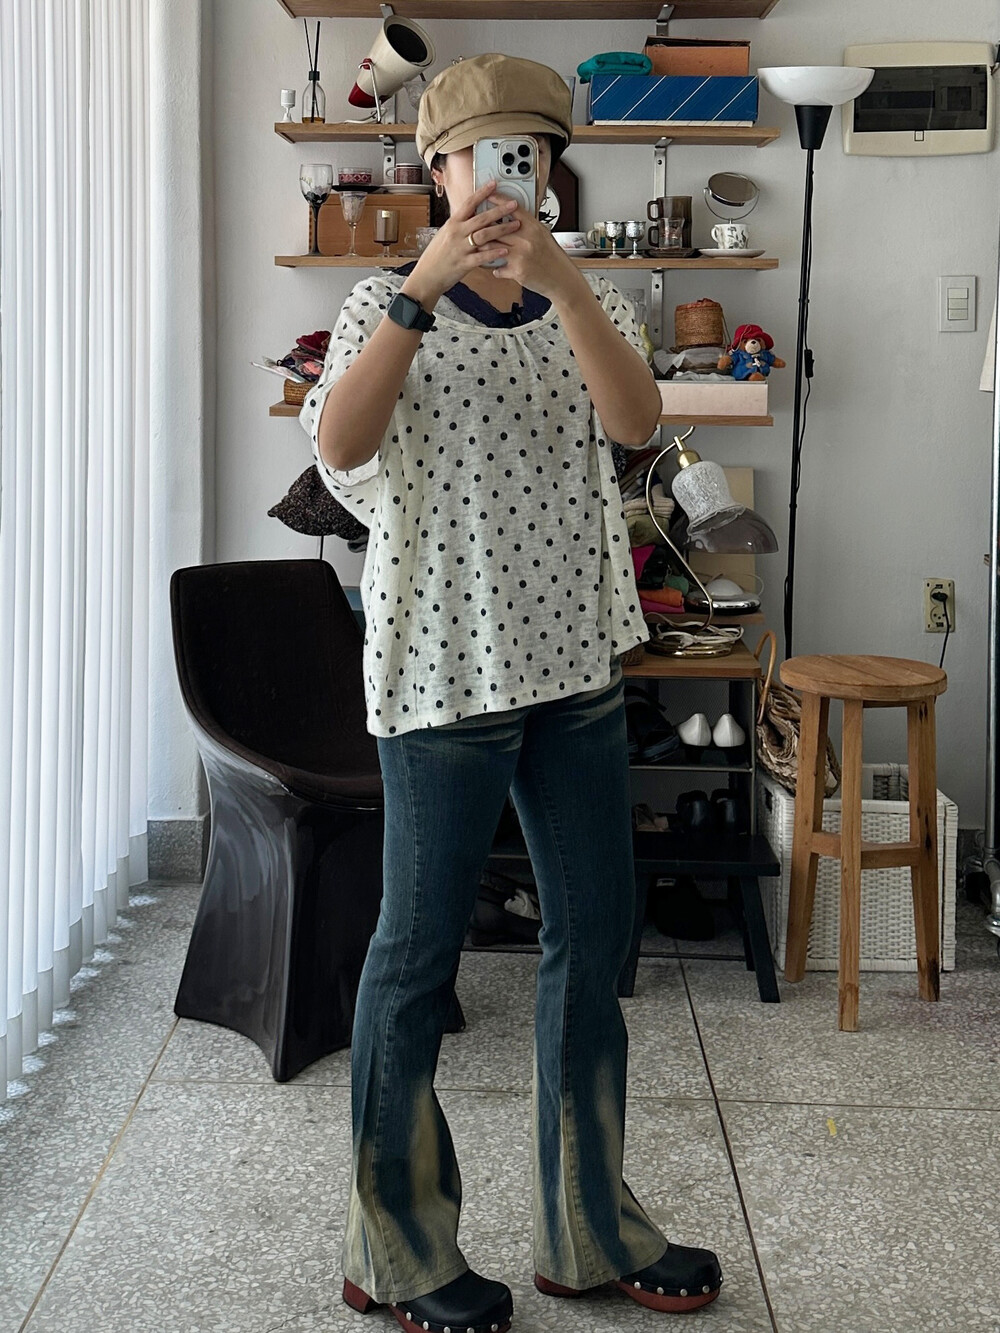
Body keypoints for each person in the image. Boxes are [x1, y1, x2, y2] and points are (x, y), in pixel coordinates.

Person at [299, 51, 722, 1333]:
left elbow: (634, 421)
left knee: (593, 938)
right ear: (437, 170)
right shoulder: (379, 301)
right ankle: (394, 1247)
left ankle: (590, 1231)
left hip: (575, 665)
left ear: (550, 170)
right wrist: (424, 287)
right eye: (479, 156)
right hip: (441, 673)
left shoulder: (587, 301)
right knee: (416, 952)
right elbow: (340, 446)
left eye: (526, 155)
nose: (502, 179)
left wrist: (568, 284)